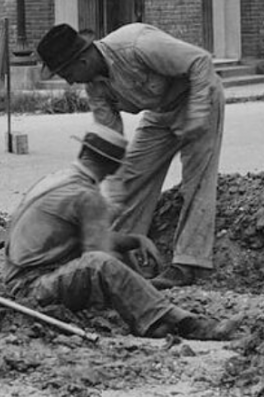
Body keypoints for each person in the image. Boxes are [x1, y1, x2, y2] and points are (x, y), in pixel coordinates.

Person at [3, 123, 238, 340]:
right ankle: (189, 324)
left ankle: (153, 322)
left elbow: (91, 238)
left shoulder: (59, 179)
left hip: (17, 276)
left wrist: (133, 240)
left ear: (83, 151)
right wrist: (137, 281)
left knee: (108, 261)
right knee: (103, 263)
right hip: (33, 288)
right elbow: (99, 259)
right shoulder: (86, 196)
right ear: (112, 166)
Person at [35, 22, 225, 290]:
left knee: (197, 180)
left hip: (199, 97)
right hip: (160, 112)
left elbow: (200, 61)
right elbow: (109, 144)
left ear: (84, 58)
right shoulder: (95, 88)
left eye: (67, 72)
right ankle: (125, 260)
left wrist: (196, 112)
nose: (68, 81)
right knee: (130, 178)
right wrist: (94, 191)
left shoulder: (137, 45)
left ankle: (188, 264)